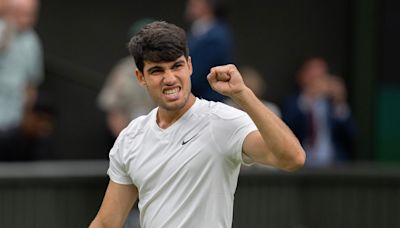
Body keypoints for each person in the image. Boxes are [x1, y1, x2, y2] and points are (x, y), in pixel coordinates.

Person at [89, 21, 305, 228]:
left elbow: (292, 158)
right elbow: (107, 223)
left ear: (189, 66)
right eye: (157, 71)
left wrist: (243, 94)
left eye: (177, 66)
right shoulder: (131, 138)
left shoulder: (222, 120)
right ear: (140, 77)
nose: (170, 78)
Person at [281, 57, 356, 167]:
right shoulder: (292, 102)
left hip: (335, 164)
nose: (317, 81)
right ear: (301, 76)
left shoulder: (333, 104)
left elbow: (351, 135)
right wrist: (309, 97)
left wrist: (340, 102)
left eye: (321, 76)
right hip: (301, 164)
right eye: (312, 77)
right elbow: (286, 128)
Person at [0, 0, 43, 131]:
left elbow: (33, 82)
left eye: (30, 15)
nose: (26, 20)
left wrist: (27, 111)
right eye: (21, 14)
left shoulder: (32, 41)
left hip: (12, 119)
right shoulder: (2, 29)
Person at [185, 0, 234, 102]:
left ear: (208, 6)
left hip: (208, 102)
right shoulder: (201, 32)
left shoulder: (215, 36)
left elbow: (197, 75)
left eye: (194, 4)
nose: (189, 6)